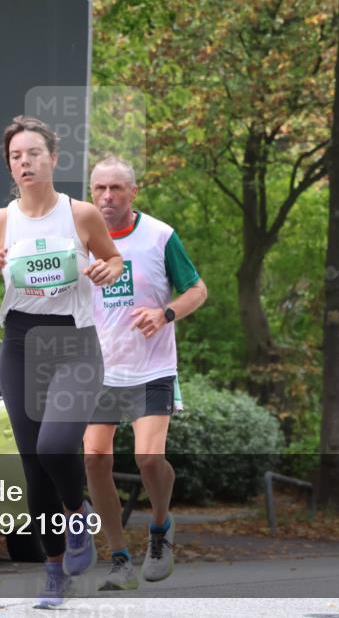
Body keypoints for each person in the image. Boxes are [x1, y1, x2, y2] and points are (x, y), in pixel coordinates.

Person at [0, 117, 124, 608]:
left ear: (54, 159)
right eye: (17, 156)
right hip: (20, 344)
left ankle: (77, 514)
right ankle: (54, 570)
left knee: (57, 445)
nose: (25, 162)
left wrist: (105, 268)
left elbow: (115, 261)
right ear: (9, 166)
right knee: (34, 464)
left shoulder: (80, 216)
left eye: (34, 153)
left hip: (74, 344)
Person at [82, 156, 208, 590]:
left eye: (117, 188)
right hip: (100, 370)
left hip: (152, 366)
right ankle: (119, 557)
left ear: (133, 192)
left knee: (148, 458)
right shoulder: (80, 239)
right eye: (99, 189)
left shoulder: (159, 236)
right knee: (94, 458)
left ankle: (160, 528)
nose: (107, 197)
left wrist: (165, 313)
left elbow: (198, 289)